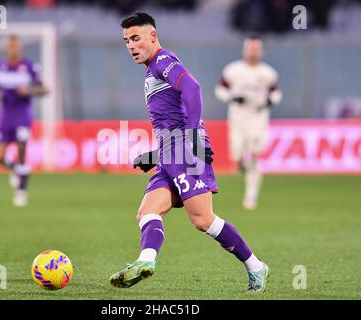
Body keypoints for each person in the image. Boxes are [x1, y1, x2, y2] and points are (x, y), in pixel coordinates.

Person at [109, 12, 269, 294]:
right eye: (126, 41)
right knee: (147, 212)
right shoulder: (151, 70)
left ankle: (256, 266)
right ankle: (145, 261)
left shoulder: (163, 60)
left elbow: (192, 88)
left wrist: (193, 135)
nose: (131, 46)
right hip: (171, 151)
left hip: (186, 150)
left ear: (153, 36)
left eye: (135, 38)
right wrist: (156, 153)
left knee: (203, 219)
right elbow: (172, 118)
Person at [215, 35, 282, 210]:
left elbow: (276, 93)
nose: (253, 51)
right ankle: (243, 166)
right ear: (245, 50)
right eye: (250, 48)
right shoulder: (233, 70)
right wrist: (232, 97)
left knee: (254, 154)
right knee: (236, 157)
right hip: (238, 117)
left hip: (258, 117)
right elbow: (220, 89)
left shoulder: (268, 73)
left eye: (256, 48)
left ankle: (251, 196)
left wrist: (270, 101)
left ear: (261, 51)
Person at [0, 35, 49, 207]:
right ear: (6, 48)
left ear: (20, 48)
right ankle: (16, 169)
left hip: (23, 115)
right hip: (5, 117)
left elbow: (44, 89)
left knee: (22, 147)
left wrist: (29, 90)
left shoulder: (30, 67)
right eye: (10, 46)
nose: (13, 49)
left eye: (16, 46)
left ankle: (21, 191)